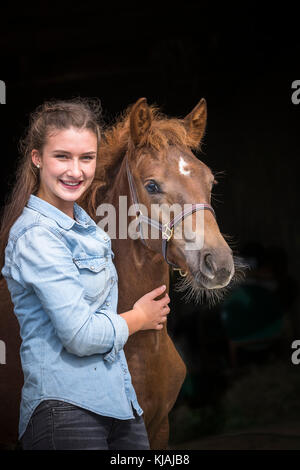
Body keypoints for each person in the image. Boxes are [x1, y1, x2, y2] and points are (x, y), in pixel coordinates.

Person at [0, 97, 170, 450]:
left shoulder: (89, 228)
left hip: (119, 405)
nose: (75, 171)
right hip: (65, 410)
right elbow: (79, 335)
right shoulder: (36, 236)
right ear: (37, 158)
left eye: (86, 158)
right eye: (62, 156)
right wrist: (138, 317)